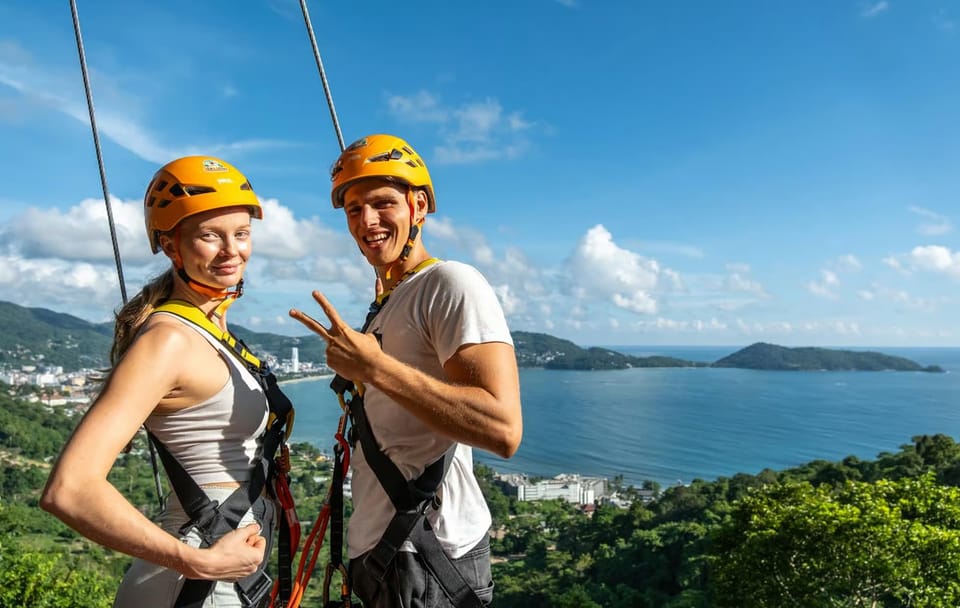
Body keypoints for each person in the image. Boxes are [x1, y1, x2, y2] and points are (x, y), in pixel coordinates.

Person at [289, 134, 523, 607]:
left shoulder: (450, 284)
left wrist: (375, 369)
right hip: (385, 554)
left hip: (429, 553)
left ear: (418, 206)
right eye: (354, 210)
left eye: (382, 204)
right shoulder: (390, 302)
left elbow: (503, 429)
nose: (366, 222)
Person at [42, 156, 286, 607]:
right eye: (210, 235)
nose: (232, 250)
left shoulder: (210, 332)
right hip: (193, 582)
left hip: (216, 578)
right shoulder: (168, 341)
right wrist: (199, 563)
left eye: (242, 233)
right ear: (172, 246)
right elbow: (69, 488)